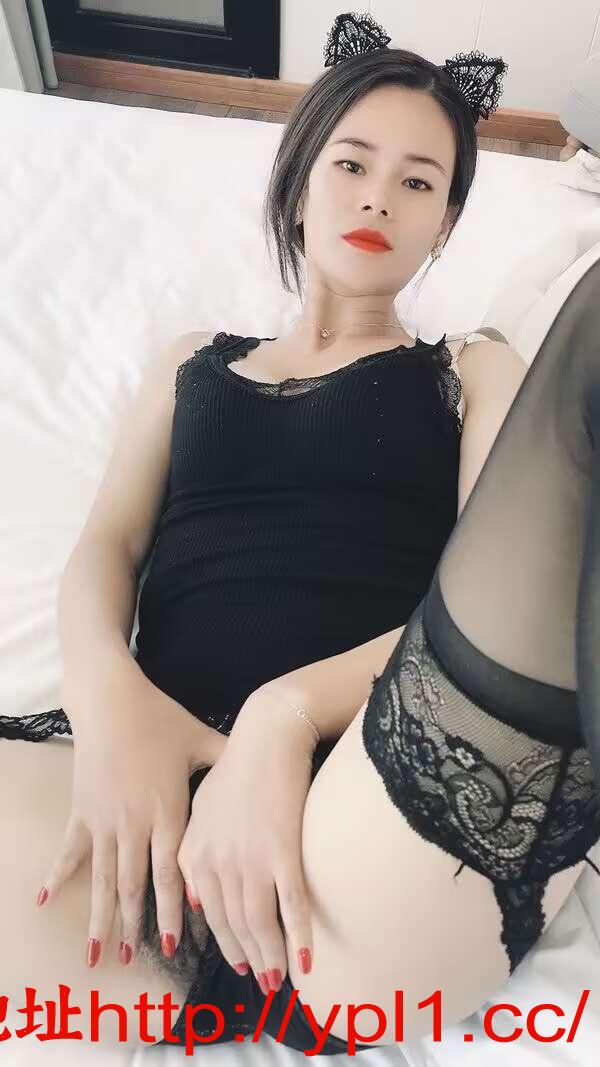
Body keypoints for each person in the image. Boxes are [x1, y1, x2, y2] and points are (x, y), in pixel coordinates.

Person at [3, 35, 568, 1055]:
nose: (378, 197)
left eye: (418, 181)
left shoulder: (471, 372)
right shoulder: (191, 364)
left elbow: (500, 604)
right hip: (156, 790)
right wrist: (109, 699)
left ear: (445, 223)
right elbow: (106, 548)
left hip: (371, 806)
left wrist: (286, 714)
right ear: (301, 174)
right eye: (351, 162)